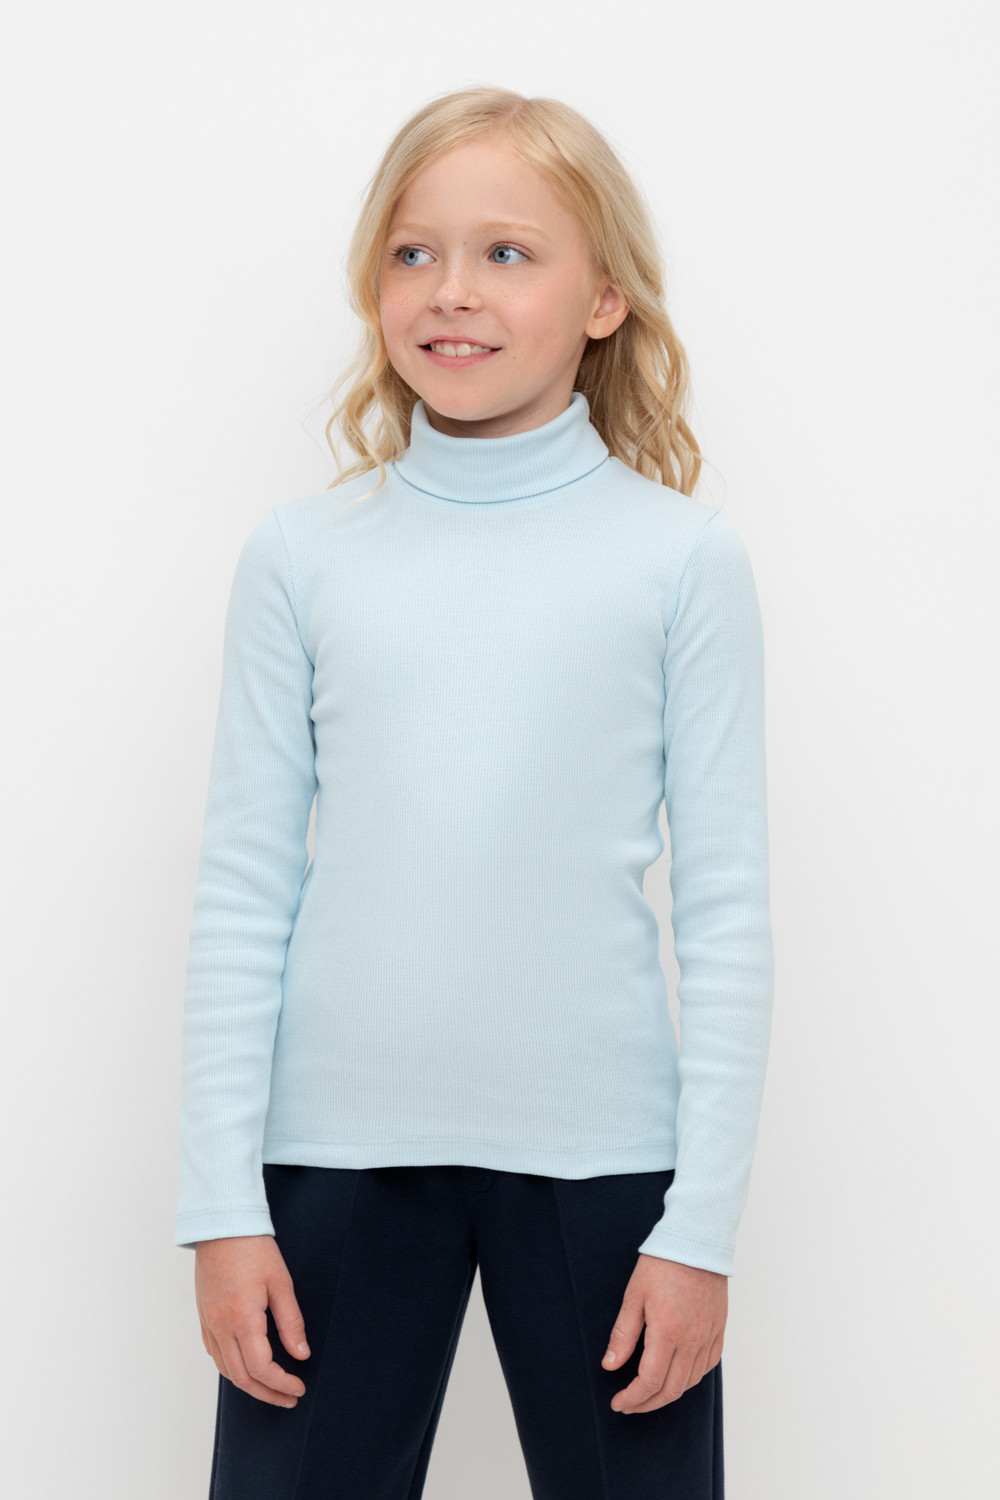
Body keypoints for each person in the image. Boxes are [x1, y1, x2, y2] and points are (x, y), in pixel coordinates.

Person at [175, 85, 774, 1500]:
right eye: (413, 252)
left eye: (508, 252)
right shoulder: (303, 557)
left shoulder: (679, 561)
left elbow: (728, 912)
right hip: (329, 1161)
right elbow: (243, 888)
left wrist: (700, 1231)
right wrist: (220, 1206)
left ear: (606, 299)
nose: (452, 290)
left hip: (605, 1169)